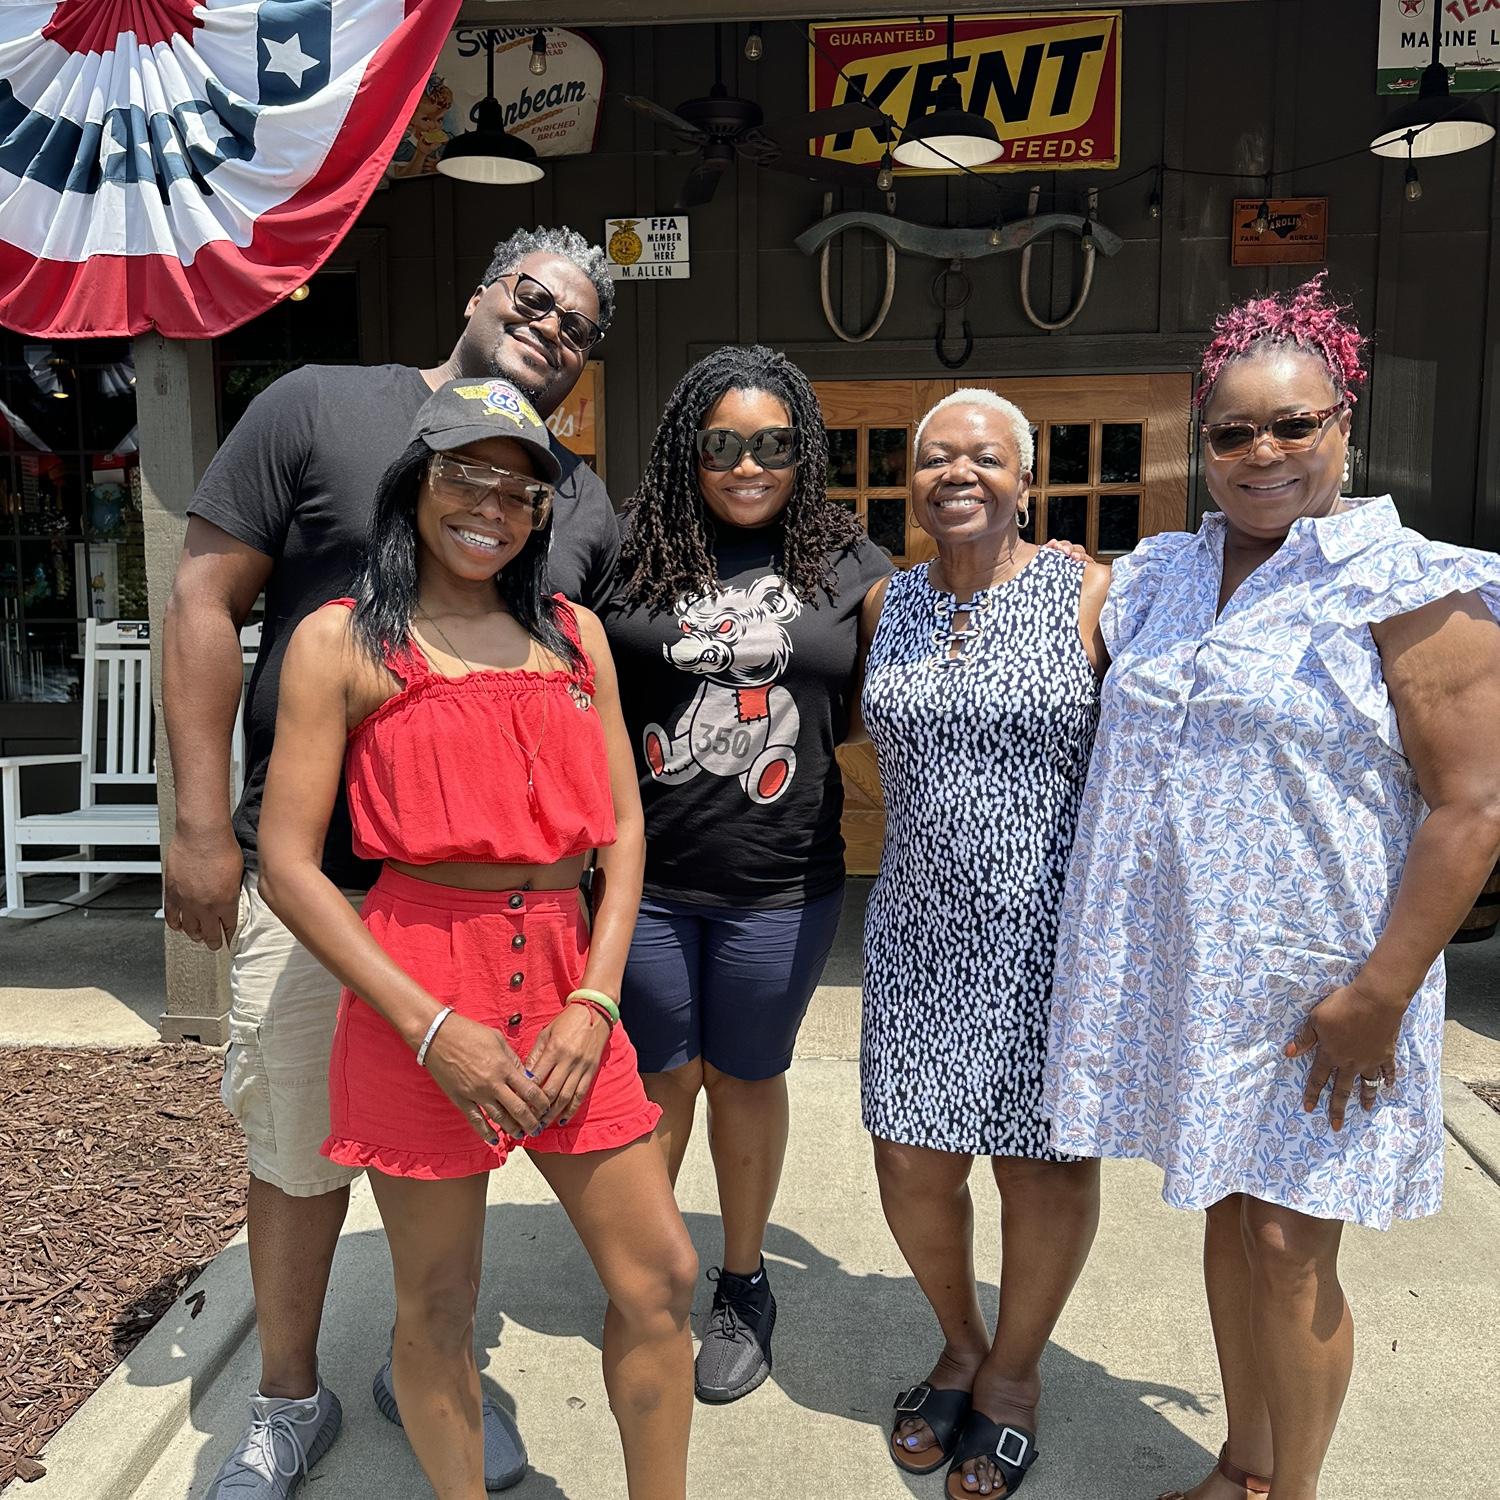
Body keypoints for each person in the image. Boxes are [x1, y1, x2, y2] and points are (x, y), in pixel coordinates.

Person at [162, 226, 617, 1496]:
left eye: (582, 328)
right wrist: (201, 825)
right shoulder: (317, 405)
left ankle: (434, 1366)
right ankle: (289, 1396)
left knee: (459, 1157)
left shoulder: (571, 491)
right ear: (480, 290)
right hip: (326, 886)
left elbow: (598, 657)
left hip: (493, 914)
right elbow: (205, 596)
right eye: (537, 299)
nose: (555, 330)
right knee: (299, 1145)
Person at [1042, 275, 1500, 1500]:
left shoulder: (1408, 584)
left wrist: (1384, 992)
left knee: (1292, 1243)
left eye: (1293, 424)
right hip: (1202, 979)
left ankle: (1291, 1492)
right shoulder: (1161, 577)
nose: (1263, 452)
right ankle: (1243, 1467)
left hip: (1328, 987)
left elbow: (1473, 810)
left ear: (1346, 424)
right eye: (1234, 429)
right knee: (1229, 1220)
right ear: (1203, 442)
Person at [254, 378, 695, 1500]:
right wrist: (430, 1024)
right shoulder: (343, 642)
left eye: (519, 487)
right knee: (438, 1307)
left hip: (564, 973)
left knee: (659, 1278)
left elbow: (626, 831)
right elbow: (291, 865)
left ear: (542, 512)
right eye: (466, 473)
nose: (490, 504)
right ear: (416, 483)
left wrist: (597, 1000)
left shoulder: (571, 634)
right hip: (416, 982)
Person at [601, 345, 891, 1403]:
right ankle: (653, 1269)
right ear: (689, 446)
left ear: (803, 450)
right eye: (723, 442)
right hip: (646, 880)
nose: (749, 464)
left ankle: (742, 1278)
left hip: (782, 879)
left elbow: (898, 677)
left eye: (775, 443)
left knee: (748, 1075)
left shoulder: (849, 562)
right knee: (662, 1075)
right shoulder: (626, 552)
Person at [855, 390, 1108, 1498]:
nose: (959, 473)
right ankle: (958, 1340)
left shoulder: (1092, 590)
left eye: (986, 457)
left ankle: (1011, 1377)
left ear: (1026, 476)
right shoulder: (885, 604)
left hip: (1049, 931)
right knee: (910, 1157)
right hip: (915, 923)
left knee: (1040, 1163)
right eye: (937, 458)